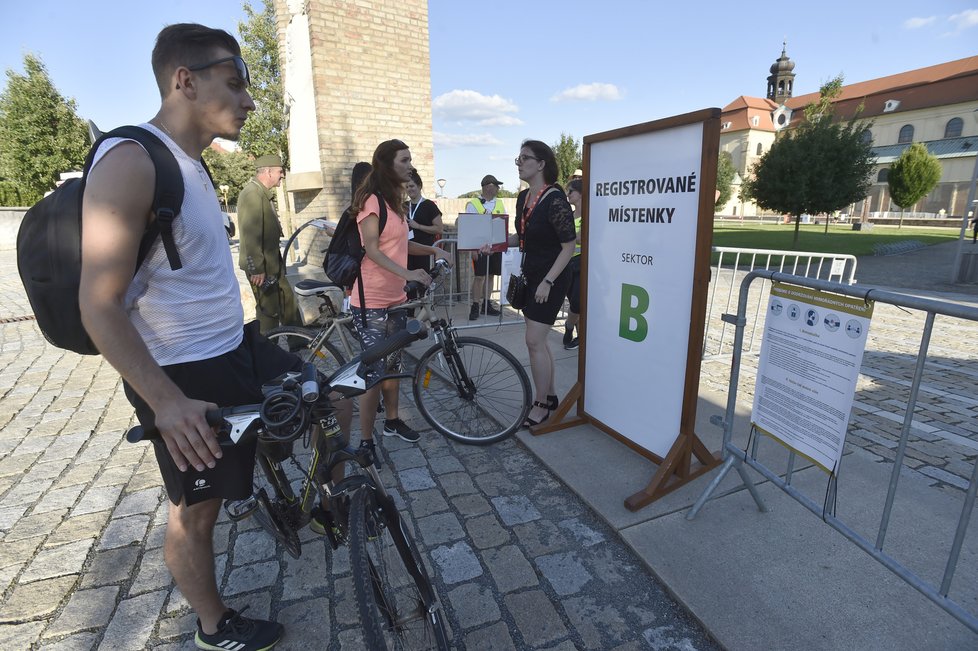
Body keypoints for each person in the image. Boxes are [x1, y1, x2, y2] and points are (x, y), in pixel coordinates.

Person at [78, 24, 350, 651]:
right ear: (185, 80)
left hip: (236, 346)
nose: (250, 101)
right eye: (236, 83)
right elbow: (98, 305)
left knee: (328, 394)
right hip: (185, 374)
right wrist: (167, 403)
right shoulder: (131, 159)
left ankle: (307, 492)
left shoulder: (193, 164)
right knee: (195, 514)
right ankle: (213, 627)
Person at [350, 140, 451, 449]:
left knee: (394, 365)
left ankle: (392, 421)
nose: (410, 164)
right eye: (404, 160)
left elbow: (403, 245)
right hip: (371, 301)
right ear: (387, 164)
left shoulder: (396, 203)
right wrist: (408, 273)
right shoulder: (371, 201)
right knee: (374, 374)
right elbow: (372, 249)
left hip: (395, 298)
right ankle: (366, 441)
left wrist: (432, 248)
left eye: (410, 159)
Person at [511, 140, 576, 426]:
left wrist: (548, 281)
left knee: (534, 340)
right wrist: (496, 244)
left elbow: (568, 246)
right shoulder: (523, 197)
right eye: (518, 158)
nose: (519, 163)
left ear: (541, 164)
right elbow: (523, 238)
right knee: (539, 342)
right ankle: (548, 395)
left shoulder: (555, 198)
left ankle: (540, 405)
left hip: (550, 279)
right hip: (532, 276)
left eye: (525, 158)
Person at [237, 154, 302, 333]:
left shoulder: (262, 194)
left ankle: (299, 342)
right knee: (269, 311)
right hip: (262, 266)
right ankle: (266, 349)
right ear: (268, 172)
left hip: (273, 263)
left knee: (288, 302)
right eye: (280, 172)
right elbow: (251, 234)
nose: (282, 175)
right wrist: (256, 268)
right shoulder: (253, 194)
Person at [466, 174, 506, 320]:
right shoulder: (473, 204)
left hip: (496, 246)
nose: (498, 188)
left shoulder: (499, 203)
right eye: (496, 185)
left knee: (491, 276)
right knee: (479, 277)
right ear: (489, 186)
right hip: (479, 247)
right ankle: (475, 306)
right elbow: (468, 228)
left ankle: (486, 305)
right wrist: (471, 249)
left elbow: (503, 223)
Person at [405, 170, 443, 271]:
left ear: (419, 186)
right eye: (407, 187)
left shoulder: (429, 205)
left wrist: (418, 226)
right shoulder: (403, 206)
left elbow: (439, 229)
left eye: (412, 186)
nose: (409, 189)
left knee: (422, 282)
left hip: (424, 251)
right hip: (406, 251)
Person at [563, 178, 584, 350]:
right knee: (575, 304)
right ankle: (574, 332)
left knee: (578, 303)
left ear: (580, 193)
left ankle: (570, 329)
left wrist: (569, 236)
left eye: (571, 191)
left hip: (584, 265)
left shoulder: (591, 215)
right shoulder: (568, 216)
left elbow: (580, 238)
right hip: (568, 264)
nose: (568, 195)